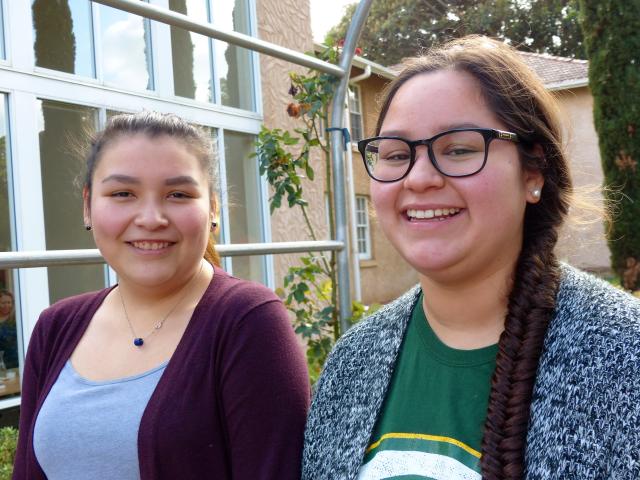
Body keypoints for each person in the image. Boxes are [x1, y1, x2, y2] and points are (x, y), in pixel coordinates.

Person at [303, 36, 640, 480]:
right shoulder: (352, 363)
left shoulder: (624, 358)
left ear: (533, 172)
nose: (419, 178)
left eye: (459, 148)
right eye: (396, 154)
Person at [14, 112, 310, 479]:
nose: (151, 218)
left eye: (178, 194)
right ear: (88, 205)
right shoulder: (56, 327)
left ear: (212, 207)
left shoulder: (247, 322)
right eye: (123, 193)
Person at [0, 289, 18, 370]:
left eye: (9, 302)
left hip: (17, 360)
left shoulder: (17, 319)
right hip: (3, 362)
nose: (6, 305)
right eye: (3, 303)